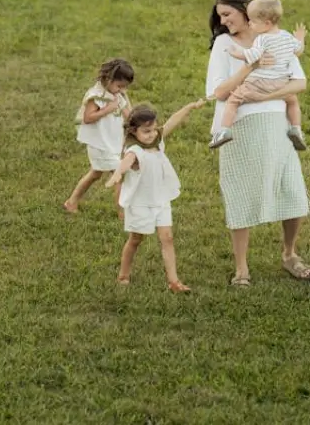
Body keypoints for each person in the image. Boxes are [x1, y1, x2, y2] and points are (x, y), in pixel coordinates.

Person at [205, 0, 310, 285]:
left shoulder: (277, 41)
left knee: (292, 191)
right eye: (221, 17)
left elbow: (299, 83)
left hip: (277, 125)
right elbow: (218, 92)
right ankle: (241, 268)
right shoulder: (224, 45)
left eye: (228, 14)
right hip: (238, 128)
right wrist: (249, 67)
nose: (224, 21)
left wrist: (264, 97)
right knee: (240, 194)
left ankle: (289, 254)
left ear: (247, 11)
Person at [105, 99, 206, 292]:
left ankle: (174, 281)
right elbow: (126, 163)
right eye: (146, 131)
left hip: (160, 199)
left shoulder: (157, 141)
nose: (152, 135)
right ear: (134, 131)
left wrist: (188, 107)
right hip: (141, 203)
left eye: (153, 130)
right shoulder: (134, 149)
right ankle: (123, 274)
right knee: (136, 239)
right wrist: (118, 173)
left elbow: (172, 122)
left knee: (167, 237)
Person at [209, 0, 308, 150]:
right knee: (293, 100)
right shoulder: (285, 37)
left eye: (226, 14)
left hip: (260, 87)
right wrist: (300, 38)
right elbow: (298, 50)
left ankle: (224, 132)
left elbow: (252, 56)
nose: (222, 21)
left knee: (234, 100)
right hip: (278, 83)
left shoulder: (262, 40)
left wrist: (237, 53)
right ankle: (296, 128)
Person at [64, 58, 134, 216]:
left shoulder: (116, 94)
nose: (122, 89)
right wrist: (108, 109)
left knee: (95, 174)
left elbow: (129, 116)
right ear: (108, 79)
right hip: (99, 144)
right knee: (120, 176)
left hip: (112, 143)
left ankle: (71, 201)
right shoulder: (96, 96)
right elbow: (88, 118)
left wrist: (125, 98)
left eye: (125, 87)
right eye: (120, 86)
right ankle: (123, 215)